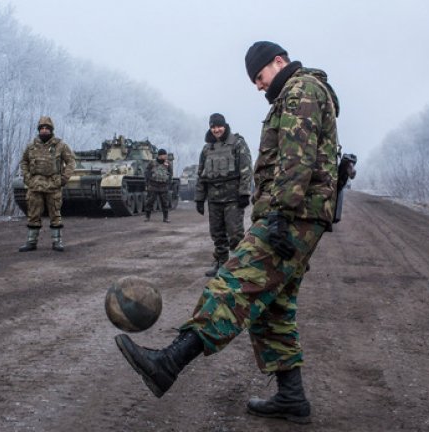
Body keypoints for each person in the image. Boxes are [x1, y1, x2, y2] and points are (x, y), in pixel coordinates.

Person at [115, 41, 340, 424]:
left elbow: (296, 159)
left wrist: (281, 216)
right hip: (300, 216)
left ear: (279, 61)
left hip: (292, 216)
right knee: (272, 309)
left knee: (233, 284)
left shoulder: (301, 90)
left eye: (260, 75)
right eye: (254, 80)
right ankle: (291, 397)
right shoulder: (297, 92)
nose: (257, 85)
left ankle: (169, 362)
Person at [195, 113, 253, 277]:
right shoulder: (207, 149)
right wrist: (199, 198)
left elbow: (246, 169)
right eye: (213, 127)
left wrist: (244, 193)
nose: (216, 130)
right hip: (214, 199)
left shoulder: (237, 143)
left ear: (225, 125)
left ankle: (237, 266)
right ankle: (220, 263)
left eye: (219, 126)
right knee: (217, 234)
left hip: (232, 198)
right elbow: (201, 174)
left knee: (235, 234)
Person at [18, 116, 75, 252]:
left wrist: (63, 179)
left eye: (47, 128)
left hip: (53, 184)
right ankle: (31, 242)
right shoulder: (31, 147)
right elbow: (24, 162)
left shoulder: (60, 145)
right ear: (39, 130)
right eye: (42, 128)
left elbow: (71, 162)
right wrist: (27, 177)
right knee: (33, 213)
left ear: (51, 130)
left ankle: (57, 242)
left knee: (55, 213)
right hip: (35, 184)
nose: (44, 130)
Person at [144, 148, 173, 223]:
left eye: (166, 155)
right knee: (149, 202)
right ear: (160, 155)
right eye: (164, 155)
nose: (166, 156)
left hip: (163, 186)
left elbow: (170, 173)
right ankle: (147, 217)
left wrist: (168, 183)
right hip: (153, 185)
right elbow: (147, 172)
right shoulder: (152, 163)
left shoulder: (168, 163)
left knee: (165, 203)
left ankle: (165, 218)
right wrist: (148, 181)